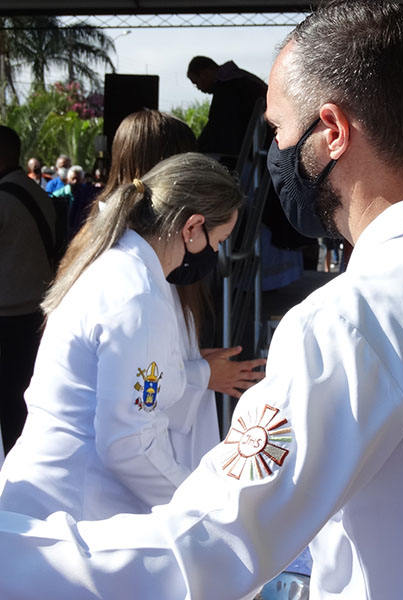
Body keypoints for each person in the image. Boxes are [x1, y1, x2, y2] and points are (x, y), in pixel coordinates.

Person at [0, 4, 403, 599]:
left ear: (332, 131)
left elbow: (210, 549)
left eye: (277, 130)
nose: (275, 156)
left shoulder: (354, 318)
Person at [0, 153, 243, 522]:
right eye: (219, 240)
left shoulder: (120, 267)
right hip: (68, 506)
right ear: (193, 227)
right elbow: (129, 445)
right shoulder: (138, 298)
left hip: (57, 496)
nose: (216, 252)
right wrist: (203, 507)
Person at [57, 109, 265, 480]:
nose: (216, 251)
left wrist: (182, 359)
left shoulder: (132, 258)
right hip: (103, 479)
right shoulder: (136, 289)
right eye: (217, 241)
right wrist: (198, 373)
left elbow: (132, 363)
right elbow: (129, 437)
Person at [0, 127, 56, 456]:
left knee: (10, 404)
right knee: (24, 401)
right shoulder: (39, 193)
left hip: (8, 317)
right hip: (37, 312)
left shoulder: (3, 198)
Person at [187, 55, 268, 164]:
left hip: (253, 155)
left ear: (205, 73)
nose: (198, 88)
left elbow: (217, 127)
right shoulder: (242, 78)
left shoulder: (228, 88)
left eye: (196, 82)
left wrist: (194, 150)